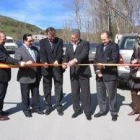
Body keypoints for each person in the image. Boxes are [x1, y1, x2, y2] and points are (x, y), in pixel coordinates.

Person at [62, 29, 92, 120]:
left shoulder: (85, 43)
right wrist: (64, 63)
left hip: (83, 72)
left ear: (78, 37)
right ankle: (77, 110)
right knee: (75, 93)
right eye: (71, 38)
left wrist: (74, 60)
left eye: (74, 38)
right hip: (73, 73)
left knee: (85, 93)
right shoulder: (69, 45)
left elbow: (84, 54)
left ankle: (88, 112)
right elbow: (66, 56)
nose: (72, 39)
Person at [15, 34, 44, 118]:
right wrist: (24, 64)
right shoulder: (19, 50)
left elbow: (38, 61)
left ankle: (36, 108)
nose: (32, 42)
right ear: (24, 41)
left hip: (36, 75)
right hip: (25, 77)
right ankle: (26, 109)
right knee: (25, 94)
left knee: (35, 93)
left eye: (32, 41)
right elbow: (17, 62)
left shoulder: (35, 49)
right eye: (30, 41)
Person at [0, 31, 27, 121]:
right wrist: (18, 62)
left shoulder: (1, 46)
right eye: (4, 39)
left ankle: (0, 110)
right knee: (0, 95)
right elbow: (5, 58)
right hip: (1, 76)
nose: (5, 40)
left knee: (2, 95)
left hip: (3, 76)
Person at [94, 31, 119, 121]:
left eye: (104, 39)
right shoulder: (98, 47)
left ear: (109, 37)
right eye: (102, 39)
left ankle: (113, 112)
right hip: (99, 75)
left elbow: (114, 61)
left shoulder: (114, 46)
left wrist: (103, 66)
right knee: (101, 95)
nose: (103, 41)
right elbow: (95, 60)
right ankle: (102, 110)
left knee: (112, 95)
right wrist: (98, 71)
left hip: (110, 75)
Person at [39, 27, 64, 116]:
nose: (52, 38)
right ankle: (48, 106)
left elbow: (60, 52)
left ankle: (59, 106)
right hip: (46, 69)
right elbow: (42, 53)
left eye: (54, 36)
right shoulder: (42, 42)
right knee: (47, 88)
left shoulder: (60, 41)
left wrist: (57, 60)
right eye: (51, 36)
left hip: (57, 69)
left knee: (58, 88)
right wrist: (44, 61)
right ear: (47, 34)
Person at [128, 32, 140, 121]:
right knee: (133, 90)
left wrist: (138, 61)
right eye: (138, 37)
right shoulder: (136, 47)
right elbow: (132, 57)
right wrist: (132, 62)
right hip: (136, 73)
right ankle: (136, 109)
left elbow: (137, 59)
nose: (139, 39)